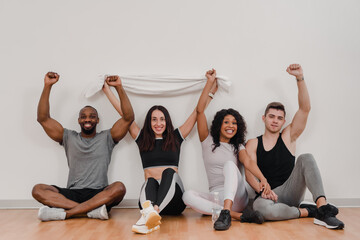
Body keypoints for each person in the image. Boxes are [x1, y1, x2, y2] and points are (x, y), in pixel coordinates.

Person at [103, 76, 214, 234]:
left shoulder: (176, 137)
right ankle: (151, 214)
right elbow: (124, 113)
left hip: (174, 203)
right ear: (149, 122)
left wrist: (209, 88)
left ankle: (151, 214)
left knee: (169, 172)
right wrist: (108, 90)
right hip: (150, 198)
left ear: (167, 121)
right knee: (150, 181)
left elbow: (197, 112)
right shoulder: (142, 139)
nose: (158, 123)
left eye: (162, 119)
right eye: (154, 119)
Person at [245, 64, 344, 230]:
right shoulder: (253, 143)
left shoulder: (288, 136)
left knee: (306, 157)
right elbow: (249, 174)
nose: (275, 120)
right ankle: (306, 211)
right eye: (271, 116)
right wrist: (263, 191)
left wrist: (299, 78)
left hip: (290, 191)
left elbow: (305, 109)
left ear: (284, 121)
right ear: (264, 118)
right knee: (260, 209)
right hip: (266, 196)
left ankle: (322, 209)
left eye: (279, 118)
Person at [32, 73, 134, 221]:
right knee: (38, 189)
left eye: (92, 116)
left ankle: (67, 213)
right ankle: (90, 211)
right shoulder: (68, 137)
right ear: (79, 120)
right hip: (72, 193)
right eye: (84, 116)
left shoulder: (107, 137)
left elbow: (128, 118)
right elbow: (43, 118)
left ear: (97, 120)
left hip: (99, 194)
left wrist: (119, 87)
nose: (88, 119)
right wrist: (48, 86)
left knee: (119, 188)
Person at [182, 69, 271, 231]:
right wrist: (209, 84)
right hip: (216, 197)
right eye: (227, 122)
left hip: (237, 196)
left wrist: (262, 179)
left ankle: (227, 211)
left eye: (234, 123)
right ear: (219, 124)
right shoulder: (206, 141)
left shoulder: (238, 146)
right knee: (186, 195)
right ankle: (237, 216)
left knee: (230, 165)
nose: (231, 126)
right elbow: (200, 111)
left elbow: (248, 162)